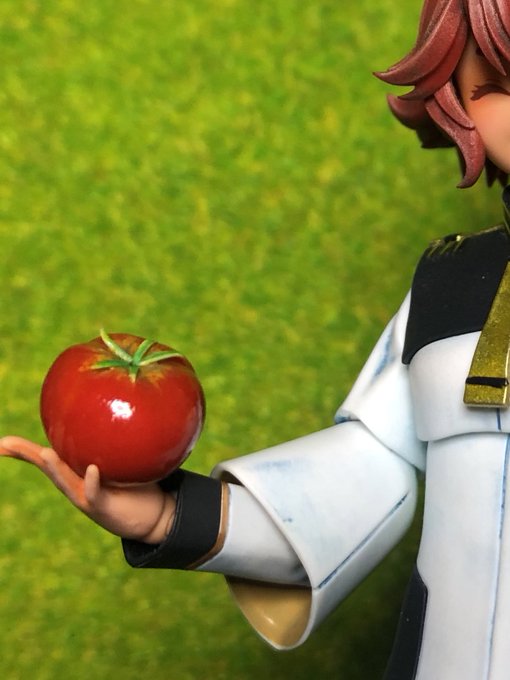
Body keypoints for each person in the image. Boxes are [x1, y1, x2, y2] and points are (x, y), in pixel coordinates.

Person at [3, 1, 510, 677]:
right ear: (458, 102)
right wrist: (172, 517)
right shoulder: (451, 281)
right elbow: (367, 475)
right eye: (498, 85)